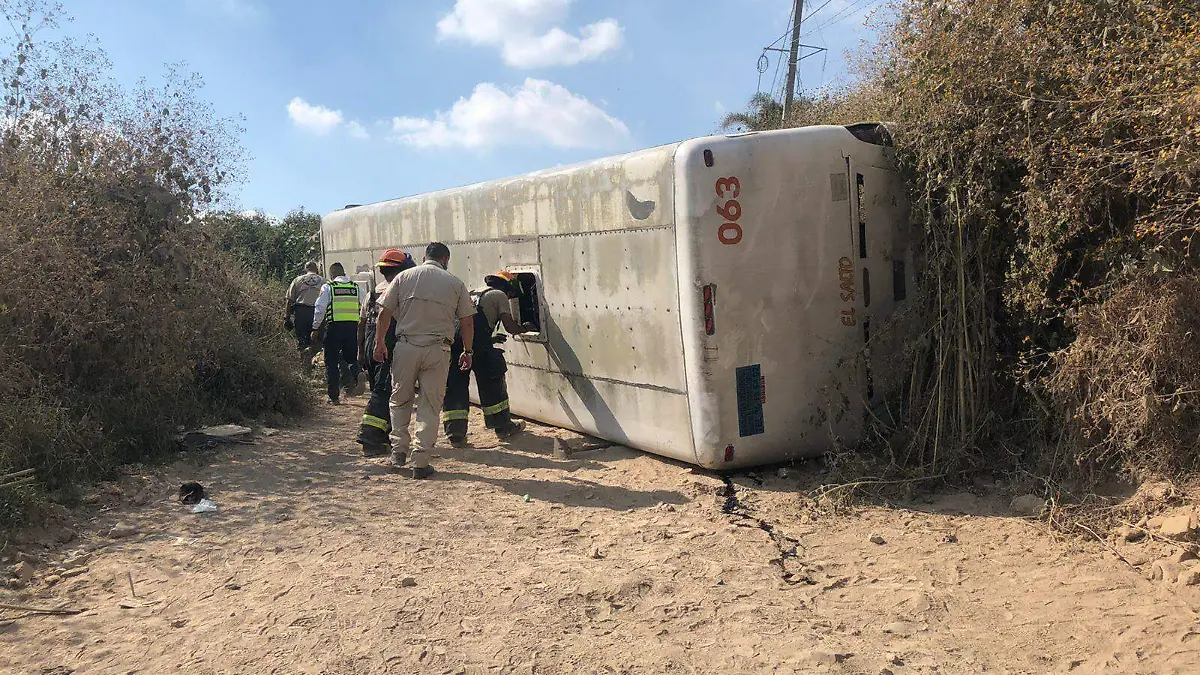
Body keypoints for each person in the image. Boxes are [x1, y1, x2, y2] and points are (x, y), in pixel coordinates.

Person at [372, 242, 475, 479]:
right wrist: (467, 351)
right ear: (445, 259)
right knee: (430, 405)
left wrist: (379, 343)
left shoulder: (403, 277)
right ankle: (420, 461)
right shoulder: (455, 283)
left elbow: (384, 313)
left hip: (406, 346)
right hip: (438, 350)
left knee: (399, 399)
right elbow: (467, 321)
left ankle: (398, 452)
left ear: (424, 256)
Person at [443, 270, 536, 446]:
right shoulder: (499, 295)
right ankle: (502, 426)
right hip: (476, 343)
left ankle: (455, 433)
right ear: (507, 288)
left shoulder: (474, 292)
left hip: (456, 342)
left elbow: (466, 320)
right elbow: (510, 327)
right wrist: (525, 327)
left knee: (455, 385)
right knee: (492, 379)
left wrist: (488, 339)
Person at [357, 248, 416, 456]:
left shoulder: (374, 292)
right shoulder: (400, 291)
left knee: (379, 389)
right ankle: (370, 437)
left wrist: (361, 352)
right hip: (386, 345)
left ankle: (384, 436)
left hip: (370, 344)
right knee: (383, 393)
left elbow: (362, 323)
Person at [312, 262, 362, 405]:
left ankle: (334, 397)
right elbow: (363, 305)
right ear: (343, 272)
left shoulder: (329, 287)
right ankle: (357, 375)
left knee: (331, 362)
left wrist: (315, 328)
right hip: (352, 327)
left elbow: (320, 308)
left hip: (334, 327)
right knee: (351, 358)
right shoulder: (355, 287)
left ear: (332, 273)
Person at [284, 262, 324, 354]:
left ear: (305, 269)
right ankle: (317, 362)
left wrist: (287, 318)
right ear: (317, 269)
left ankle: (305, 363)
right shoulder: (324, 281)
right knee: (318, 341)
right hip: (318, 313)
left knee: (302, 342)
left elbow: (289, 300)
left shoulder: (297, 280)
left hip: (302, 313)